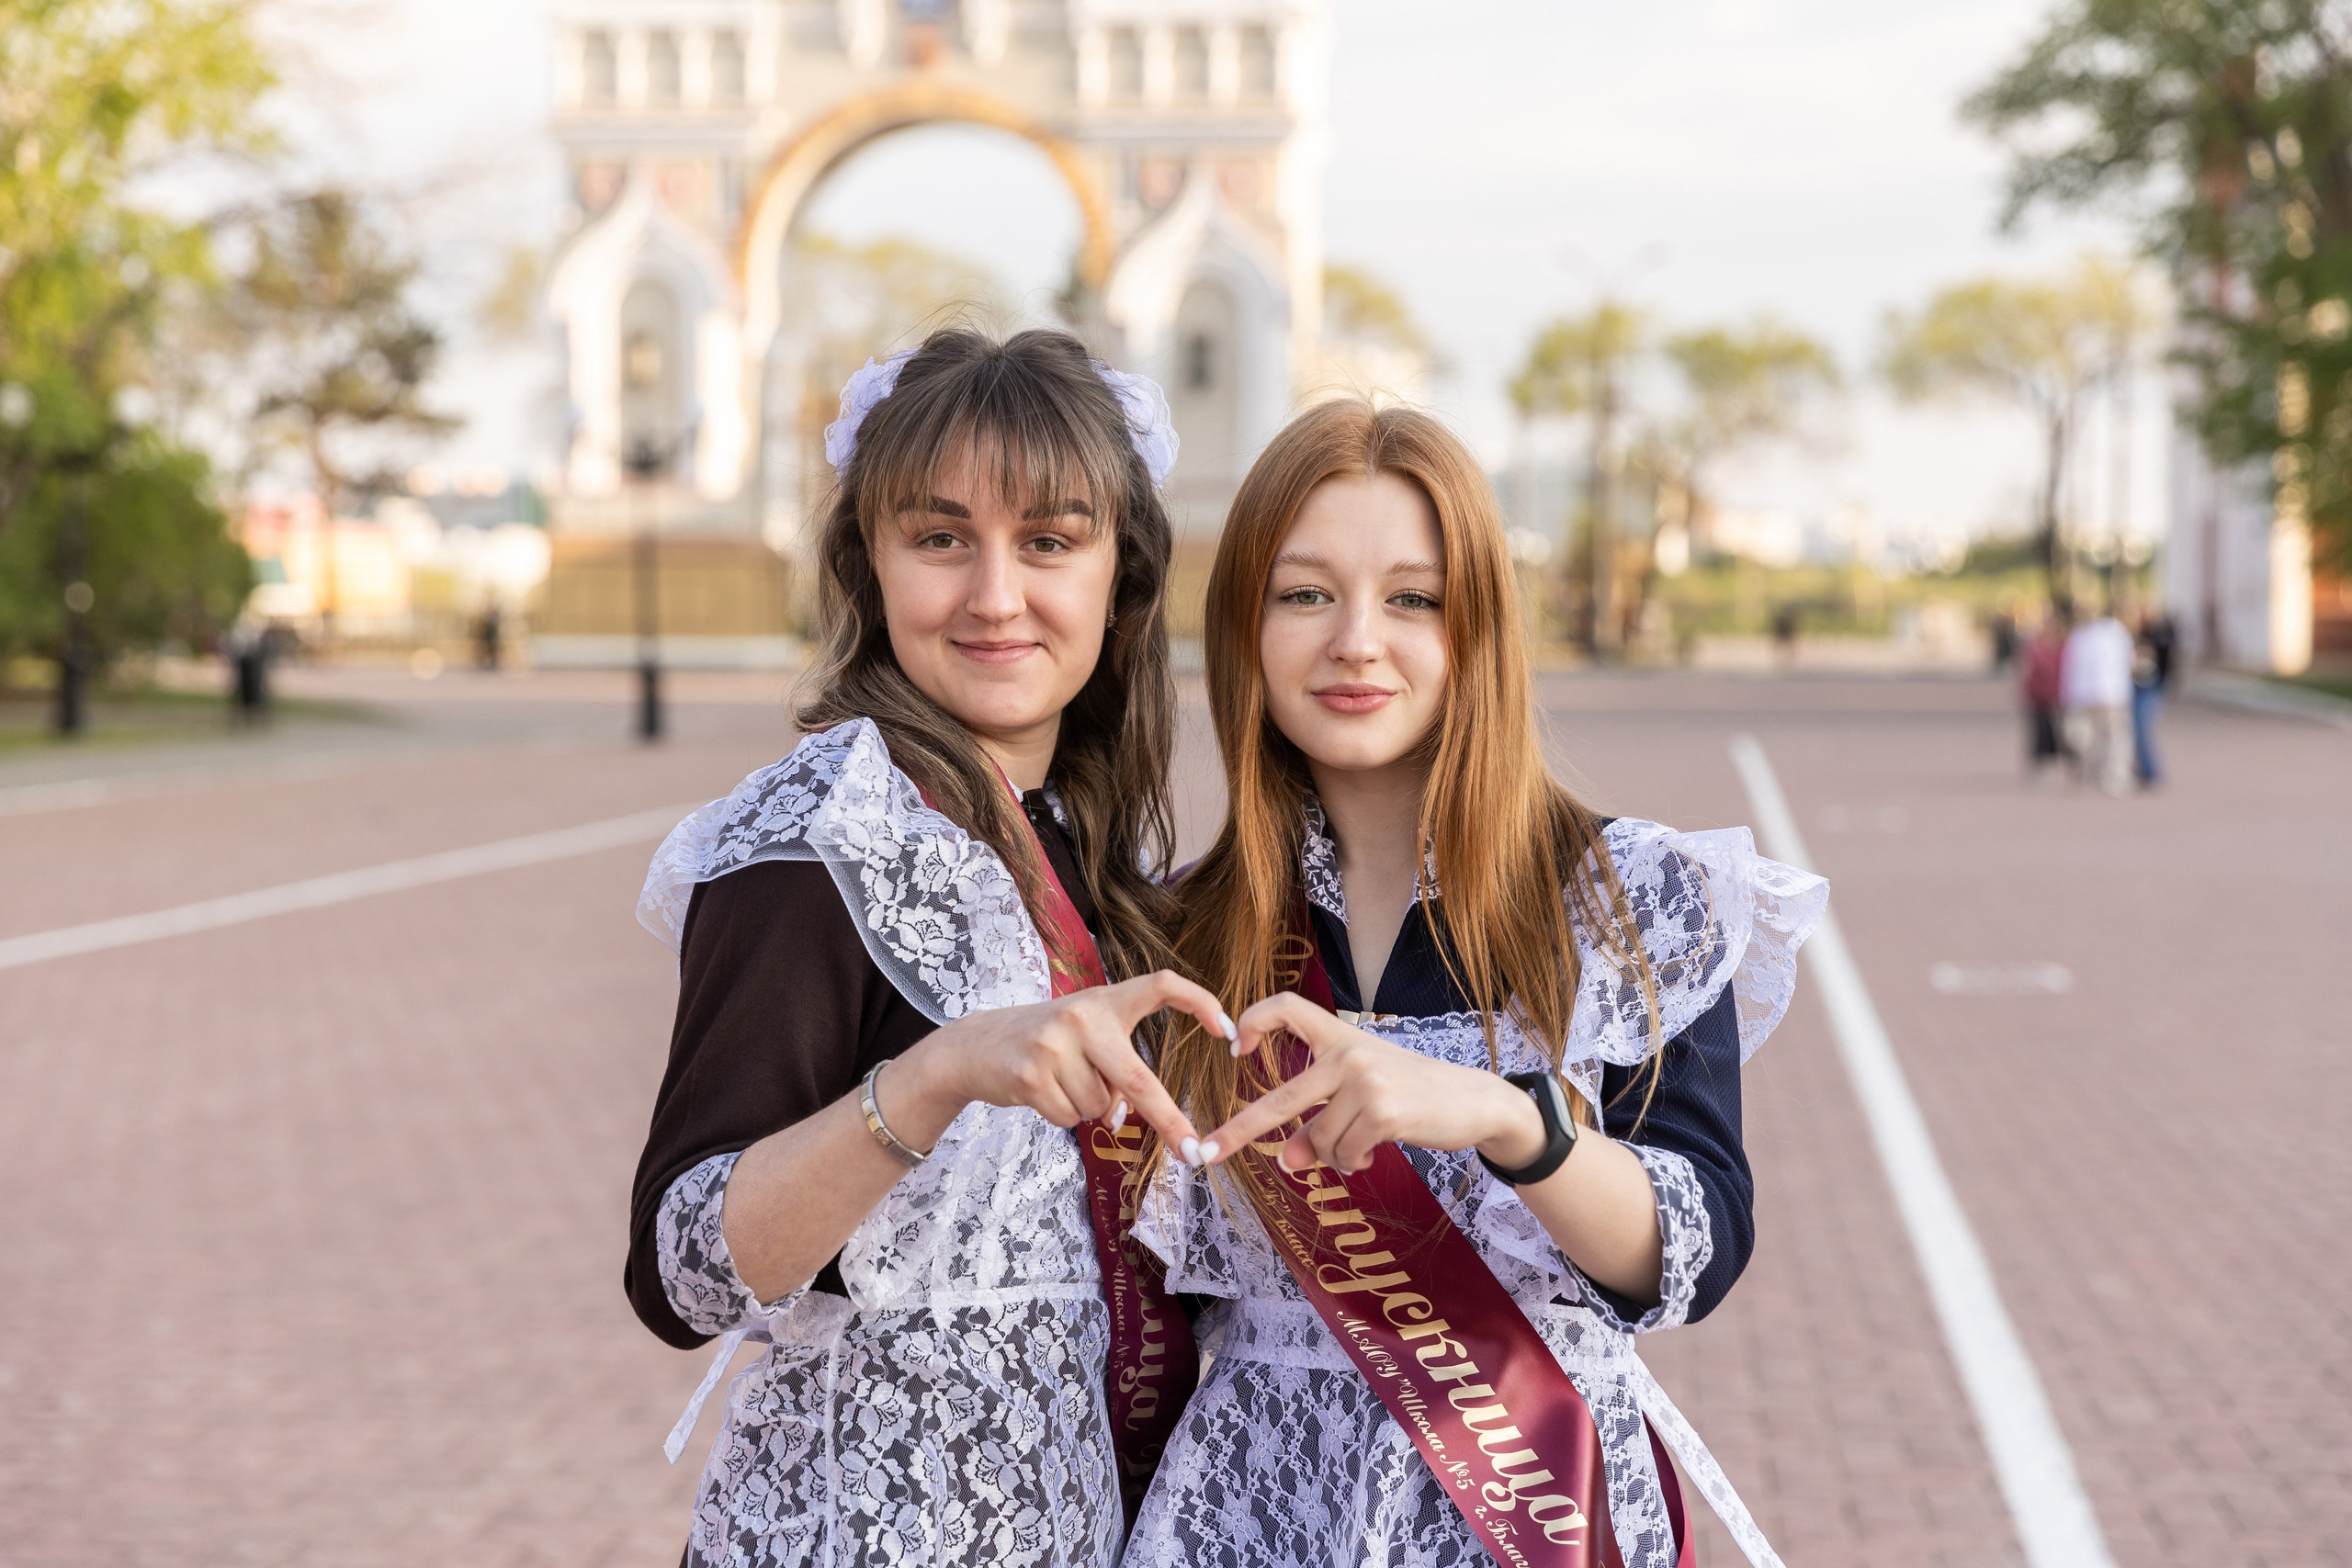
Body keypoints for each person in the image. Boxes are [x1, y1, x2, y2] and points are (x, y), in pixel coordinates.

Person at [1124, 400, 1828, 1568]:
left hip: (1529, 1512)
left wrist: (1511, 1120)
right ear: (1243, 627)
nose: (1357, 641)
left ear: (1479, 628)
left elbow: (1694, 1249)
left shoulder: (1630, 897)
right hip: (1249, 1513)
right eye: (1304, 595)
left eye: (1413, 599)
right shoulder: (1177, 928)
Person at [625, 328, 1230, 1568]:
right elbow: (682, 1271)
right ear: (871, 562)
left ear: (1122, 581)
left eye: (1050, 542)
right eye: (941, 537)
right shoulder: (813, 842)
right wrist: (932, 1074)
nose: (996, 594)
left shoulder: (1083, 842)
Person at [2062, 602, 2135, 796]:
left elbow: (2069, 669)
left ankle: (2096, 775)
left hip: (2087, 695)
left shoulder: (2079, 636)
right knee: (2114, 739)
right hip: (2111, 695)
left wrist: (2068, 697)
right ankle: (2114, 777)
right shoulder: (2117, 633)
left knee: (2093, 739)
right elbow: (2129, 661)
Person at [2018, 604, 2069, 776]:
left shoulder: (2064, 647)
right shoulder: (2036, 647)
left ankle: (2064, 763)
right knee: (2039, 731)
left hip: (2059, 695)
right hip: (2039, 696)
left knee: (2063, 732)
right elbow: (2027, 669)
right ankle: (2039, 763)